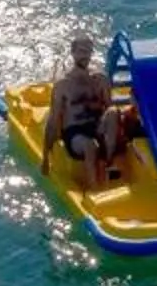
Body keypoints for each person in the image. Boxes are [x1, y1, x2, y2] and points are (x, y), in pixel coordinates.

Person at [43, 37, 111, 188]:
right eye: (81, 51)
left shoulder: (100, 79)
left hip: (97, 127)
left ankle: (110, 165)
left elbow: (109, 108)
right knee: (90, 145)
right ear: (72, 53)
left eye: (88, 51)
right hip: (75, 133)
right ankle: (94, 189)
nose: (85, 55)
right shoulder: (63, 85)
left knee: (113, 113)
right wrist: (45, 157)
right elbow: (53, 121)